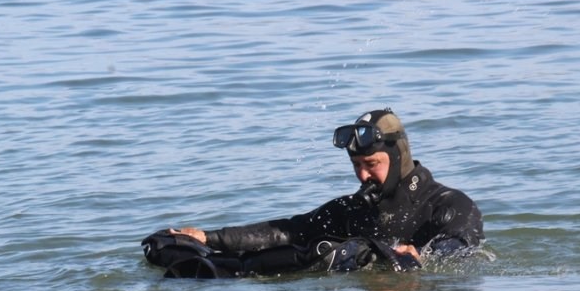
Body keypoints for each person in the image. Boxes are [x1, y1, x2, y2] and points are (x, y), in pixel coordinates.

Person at [169, 108, 484, 269]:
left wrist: (423, 255)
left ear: (398, 157)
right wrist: (211, 237)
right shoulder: (352, 211)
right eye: (355, 166)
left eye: (371, 164)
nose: (362, 176)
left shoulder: (450, 204)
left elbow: (461, 243)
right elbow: (289, 231)